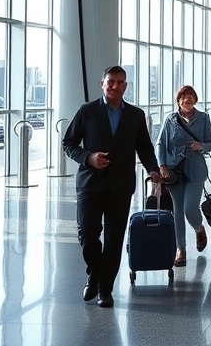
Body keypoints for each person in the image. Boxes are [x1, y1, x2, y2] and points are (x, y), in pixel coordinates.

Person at [62, 65, 161, 308]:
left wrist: (153, 169)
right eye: (110, 82)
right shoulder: (87, 111)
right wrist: (88, 157)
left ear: (125, 86)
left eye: (120, 82)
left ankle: (105, 290)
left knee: (115, 238)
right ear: (102, 84)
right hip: (89, 184)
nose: (115, 86)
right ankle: (95, 273)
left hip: (121, 185)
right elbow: (69, 142)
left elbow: (145, 146)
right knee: (87, 233)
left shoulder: (135, 115)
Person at [156, 85, 211, 266]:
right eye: (184, 96)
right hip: (174, 171)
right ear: (178, 100)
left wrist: (202, 146)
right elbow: (160, 144)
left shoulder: (203, 118)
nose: (188, 99)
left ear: (195, 100)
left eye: (191, 96)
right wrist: (162, 166)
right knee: (177, 211)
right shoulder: (170, 120)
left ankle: (199, 228)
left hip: (196, 170)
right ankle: (180, 249)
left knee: (190, 208)